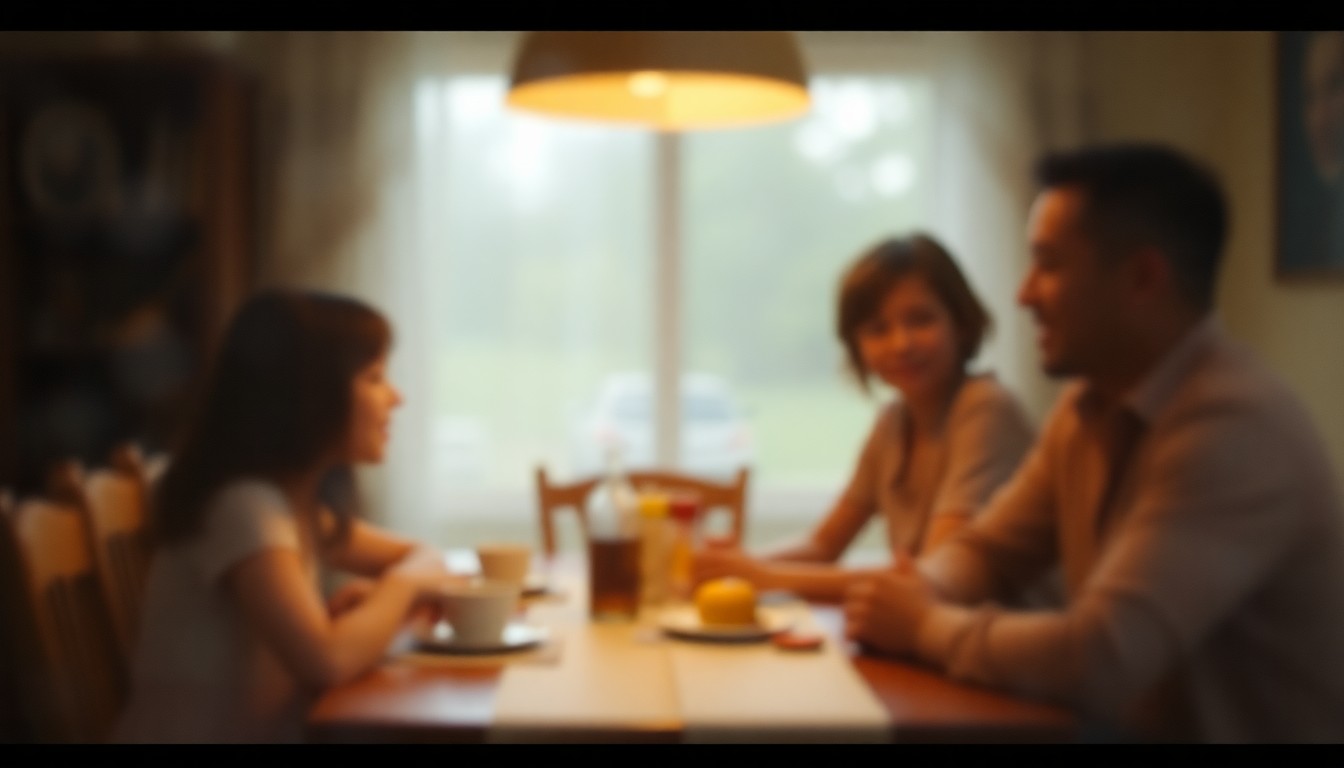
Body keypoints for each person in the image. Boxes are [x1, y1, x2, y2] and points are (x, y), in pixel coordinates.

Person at [843, 143, 1344, 743]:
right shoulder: (1087, 405)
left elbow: (1100, 658)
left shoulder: (1232, 424)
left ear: (1141, 278)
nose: (1023, 294)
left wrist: (922, 623)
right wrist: (924, 587)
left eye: (1048, 265)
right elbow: (990, 551)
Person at [112, 288, 459, 743]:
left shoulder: (297, 506)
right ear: (310, 394)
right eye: (375, 377)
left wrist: (381, 598)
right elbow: (327, 662)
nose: (396, 398)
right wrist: (402, 588)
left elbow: (423, 555)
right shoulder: (243, 505)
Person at [693, 233, 1038, 603]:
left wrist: (760, 575)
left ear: (962, 323)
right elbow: (822, 544)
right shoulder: (893, 421)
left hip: (1003, 652)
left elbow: (930, 581)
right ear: (856, 345)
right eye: (877, 329)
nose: (900, 344)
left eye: (921, 320)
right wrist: (733, 568)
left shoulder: (985, 409)